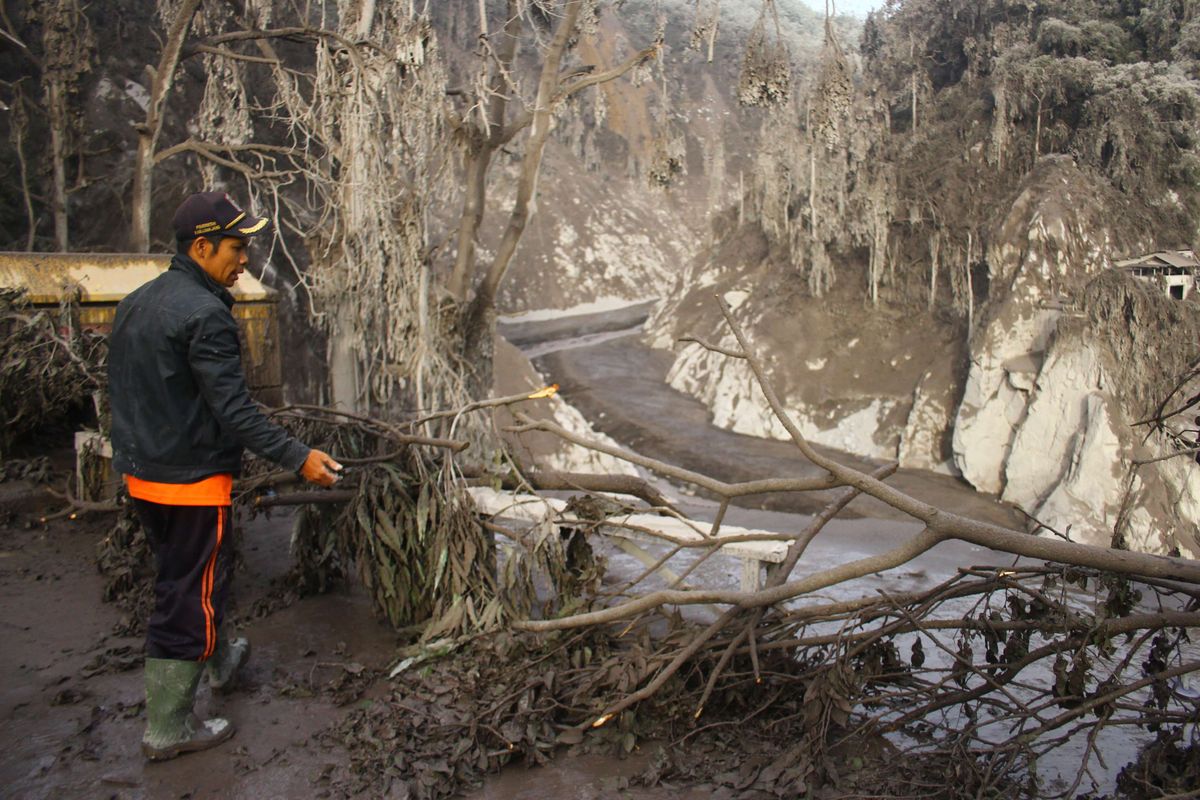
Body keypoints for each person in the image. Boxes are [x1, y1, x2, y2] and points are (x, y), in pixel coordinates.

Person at [107, 191, 342, 761]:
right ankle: (168, 728)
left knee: (192, 575)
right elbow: (233, 410)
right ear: (203, 246)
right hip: (189, 482)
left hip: (144, 474)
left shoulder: (138, 301)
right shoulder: (206, 313)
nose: (245, 261)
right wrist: (297, 456)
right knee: (189, 595)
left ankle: (218, 660)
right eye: (237, 248)